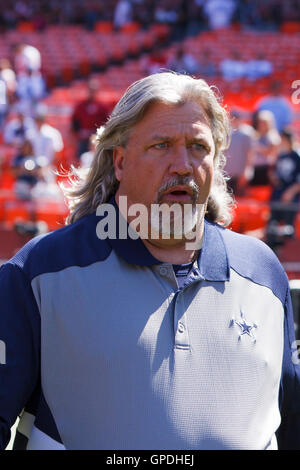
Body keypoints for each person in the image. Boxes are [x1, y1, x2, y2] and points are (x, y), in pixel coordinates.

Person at [0, 72, 299, 451]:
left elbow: (290, 423)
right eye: (162, 145)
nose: (183, 165)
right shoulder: (40, 271)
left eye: (198, 147)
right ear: (120, 162)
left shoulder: (264, 273)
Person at [266, 128, 300, 250]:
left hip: (291, 198)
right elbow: (276, 172)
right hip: (278, 195)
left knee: (287, 229)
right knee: (272, 226)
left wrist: (291, 192)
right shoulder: (281, 155)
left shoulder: (297, 156)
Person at [71, 79, 109, 158]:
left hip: (96, 139)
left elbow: (106, 123)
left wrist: (98, 133)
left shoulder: (102, 107)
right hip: (83, 140)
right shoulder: (81, 106)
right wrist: (78, 132)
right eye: (91, 90)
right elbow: (75, 122)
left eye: (94, 90)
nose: (92, 93)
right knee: (81, 161)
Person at [225, 109, 255, 195]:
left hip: (240, 174)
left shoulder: (247, 133)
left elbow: (250, 153)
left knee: (240, 198)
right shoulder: (225, 133)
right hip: (227, 173)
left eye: (236, 118)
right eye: (232, 118)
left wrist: (247, 170)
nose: (234, 120)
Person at [250, 110, 281, 186]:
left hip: (267, 168)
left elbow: (271, 151)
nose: (262, 124)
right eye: (260, 122)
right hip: (254, 167)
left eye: (264, 122)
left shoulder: (273, 135)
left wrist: (257, 148)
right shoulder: (255, 135)